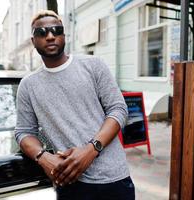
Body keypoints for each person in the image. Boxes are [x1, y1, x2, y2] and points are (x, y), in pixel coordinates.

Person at [15, 10, 135, 200]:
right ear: (33, 40)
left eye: (56, 30)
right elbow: (23, 132)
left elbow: (118, 109)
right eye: (42, 32)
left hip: (113, 178)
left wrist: (91, 149)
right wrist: (44, 157)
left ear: (64, 35)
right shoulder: (28, 85)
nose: (50, 36)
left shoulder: (94, 65)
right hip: (69, 182)